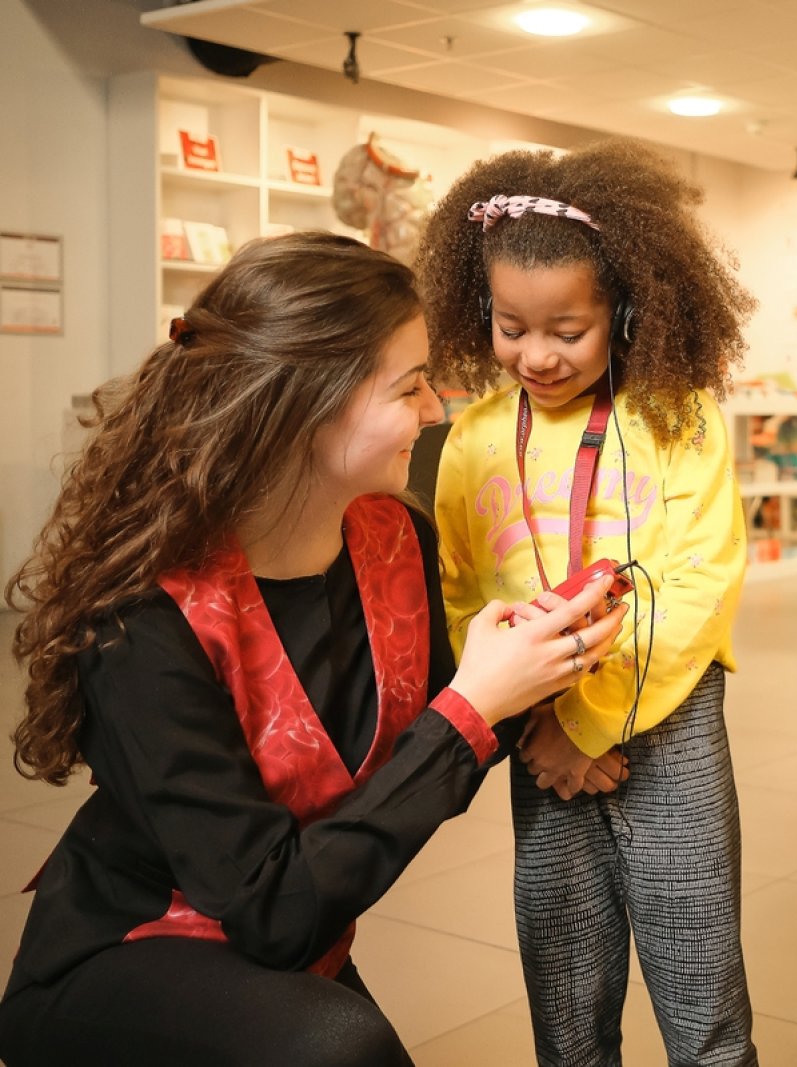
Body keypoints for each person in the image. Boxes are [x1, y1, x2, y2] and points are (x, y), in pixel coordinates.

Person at [0, 232, 626, 1067]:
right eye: (410, 387)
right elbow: (273, 906)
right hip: (137, 945)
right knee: (344, 1048)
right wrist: (479, 705)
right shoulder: (144, 619)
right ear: (304, 407)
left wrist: (544, 664)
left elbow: (437, 735)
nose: (438, 409)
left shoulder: (392, 535)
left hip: (293, 938)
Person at [413, 140, 759, 1064]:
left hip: (668, 724)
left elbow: (700, 583)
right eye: (510, 326)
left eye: (568, 330)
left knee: (704, 1007)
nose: (537, 355)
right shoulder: (470, 439)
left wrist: (592, 723)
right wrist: (535, 717)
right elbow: (462, 599)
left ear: (627, 310)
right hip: (539, 739)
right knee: (565, 1008)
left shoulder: (678, 414)